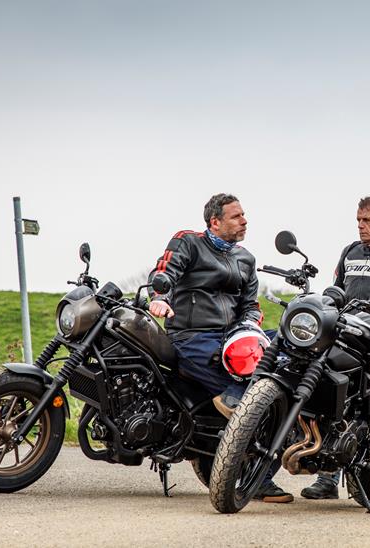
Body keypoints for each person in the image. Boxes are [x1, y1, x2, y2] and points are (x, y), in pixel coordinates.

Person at [148, 192, 293, 504]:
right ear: (215, 222)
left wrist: (249, 331)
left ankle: (260, 455)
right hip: (192, 337)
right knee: (251, 400)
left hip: (234, 338)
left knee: (289, 354)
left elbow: (251, 307)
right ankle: (248, 458)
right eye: (236, 216)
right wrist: (160, 297)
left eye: (243, 215)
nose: (244, 220)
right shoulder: (189, 242)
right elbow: (165, 273)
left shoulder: (246, 259)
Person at [300, 194, 370, 500]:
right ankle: (327, 476)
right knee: (335, 397)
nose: (361, 226)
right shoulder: (349, 251)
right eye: (358, 220)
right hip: (347, 334)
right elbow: (338, 287)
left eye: (368, 221)